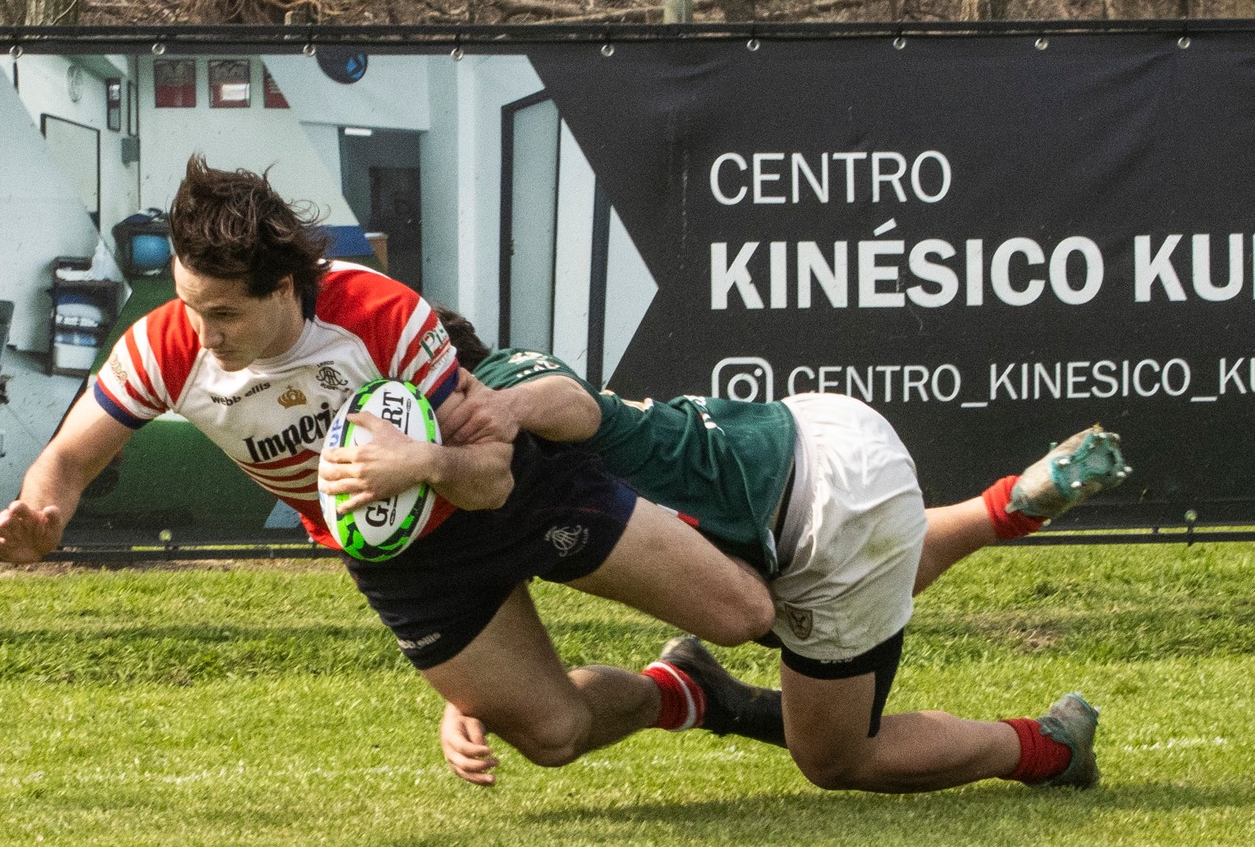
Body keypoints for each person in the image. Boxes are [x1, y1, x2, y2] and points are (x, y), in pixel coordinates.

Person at [0, 156, 787, 777]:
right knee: (553, 736)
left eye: (224, 312)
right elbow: (67, 457)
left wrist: (423, 461)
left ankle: (796, 559)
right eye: (191, 303)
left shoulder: (379, 314)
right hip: (401, 557)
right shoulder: (165, 346)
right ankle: (688, 691)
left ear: (289, 286)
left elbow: (493, 478)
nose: (204, 331)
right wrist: (42, 511)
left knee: (746, 611)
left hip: (513, 497)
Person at [431, 310, 1131, 793]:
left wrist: (505, 407)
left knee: (832, 753)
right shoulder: (460, 478)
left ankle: (1052, 746)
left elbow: (568, 402)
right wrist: (480, 690)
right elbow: (489, 602)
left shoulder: (497, 382)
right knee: (843, 593)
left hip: (820, 511)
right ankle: (1002, 507)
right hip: (814, 446)